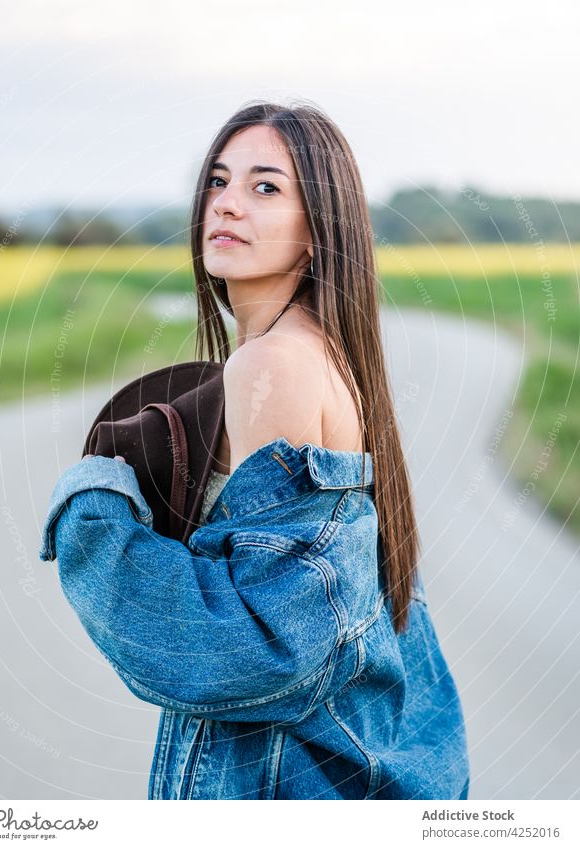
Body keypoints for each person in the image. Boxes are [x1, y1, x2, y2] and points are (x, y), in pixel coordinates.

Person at [39, 99, 470, 800]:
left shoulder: (275, 366)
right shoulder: (322, 351)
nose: (228, 204)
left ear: (315, 234)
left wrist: (93, 511)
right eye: (217, 181)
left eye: (265, 186)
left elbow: (265, 645)